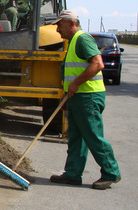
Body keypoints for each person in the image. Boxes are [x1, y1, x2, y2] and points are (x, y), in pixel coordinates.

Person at [50, 10, 121, 190]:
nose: (58, 29)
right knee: (76, 137)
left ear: (72, 23)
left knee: (92, 136)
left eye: (60, 25)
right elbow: (70, 71)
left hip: (87, 96)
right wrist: (66, 94)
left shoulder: (83, 39)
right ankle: (73, 174)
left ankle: (111, 172)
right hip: (76, 96)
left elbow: (98, 64)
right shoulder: (72, 42)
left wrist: (75, 84)